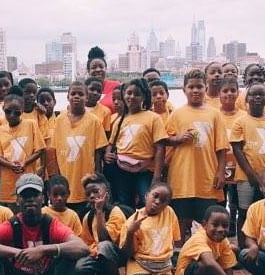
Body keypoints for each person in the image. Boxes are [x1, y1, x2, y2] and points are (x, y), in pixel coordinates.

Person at [0, 173, 89, 275]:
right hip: (17, 272)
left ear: (42, 198)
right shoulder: (12, 225)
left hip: (45, 272)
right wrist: (17, 253)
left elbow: (82, 247)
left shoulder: (51, 224)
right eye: (25, 196)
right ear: (17, 200)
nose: (30, 199)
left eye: (35, 195)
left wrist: (43, 250)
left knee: (68, 255)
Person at [165, 69, 227, 244]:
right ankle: (180, 255)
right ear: (184, 90)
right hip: (181, 178)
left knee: (206, 222)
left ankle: (206, 255)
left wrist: (220, 172)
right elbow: (164, 139)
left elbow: (221, 147)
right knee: (181, 221)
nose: (195, 90)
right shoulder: (176, 113)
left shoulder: (214, 114)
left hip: (207, 177)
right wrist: (178, 139)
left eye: (199, 86)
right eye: (191, 87)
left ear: (206, 88)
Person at [230, 84, 265, 248]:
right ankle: (242, 248)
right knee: (245, 212)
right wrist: (251, 174)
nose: (258, 98)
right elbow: (237, 149)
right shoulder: (240, 122)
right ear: (247, 99)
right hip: (246, 177)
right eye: (254, 95)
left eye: (262, 95)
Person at [104, 78, 168, 209]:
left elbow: (160, 148)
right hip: (121, 170)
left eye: (137, 94)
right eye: (129, 93)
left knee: (148, 202)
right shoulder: (119, 120)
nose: (132, 97)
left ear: (144, 97)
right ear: (123, 95)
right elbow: (111, 143)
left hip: (144, 171)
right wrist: (107, 154)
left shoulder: (153, 118)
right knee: (124, 204)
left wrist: (156, 176)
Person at [52, 81, 108, 214]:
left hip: (85, 178)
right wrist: (55, 175)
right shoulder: (59, 119)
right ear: (67, 97)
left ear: (87, 97)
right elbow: (54, 149)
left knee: (85, 214)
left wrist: (97, 177)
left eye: (81, 94)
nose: (76, 97)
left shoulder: (94, 121)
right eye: (73, 93)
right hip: (65, 175)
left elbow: (98, 152)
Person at [0, 93, 47, 210]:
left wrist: (25, 163)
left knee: (30, 206)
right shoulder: (0, 131)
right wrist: (10, 165)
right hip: (9, 181)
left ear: (22, 111)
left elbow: (40, 149)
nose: (12, 115)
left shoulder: (31, 125)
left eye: (17, 112)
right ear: (3, 109)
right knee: (13, 210)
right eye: (8, 111)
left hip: (28, 177)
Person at [119, 182, 180, 275]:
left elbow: (175, 240)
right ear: (146, 195)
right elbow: (128, 254)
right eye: (155, 196)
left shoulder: (169, 212)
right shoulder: (132, 222)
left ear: (167, 204)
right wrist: (130, 232)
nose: (157, 202)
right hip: (140, 263)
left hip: (164, 265)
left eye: (163, 200)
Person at [74, 173, 127, 275]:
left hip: (116, 254)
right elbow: (87, 243)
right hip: (97, 254)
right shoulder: (88, 217)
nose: (92, 196)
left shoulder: (115, 212)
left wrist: (99, 212)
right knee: (80, 266)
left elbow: (104, 239)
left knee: (104, 246)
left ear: (107, 193)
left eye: (96, 191)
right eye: (88, 194)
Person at [217, 76, 246, 238]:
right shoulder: (214, 115)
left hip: (239, 167)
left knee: (236, 203)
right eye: (225, 91)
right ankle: (220, 233)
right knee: (220, 202)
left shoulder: (244, 116)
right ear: (219, 94)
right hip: (218, 167)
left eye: (233, 90)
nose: (229, 94)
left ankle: (235, 234)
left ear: (238, 93)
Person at [176, 205, 237, 275]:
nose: (221, 229)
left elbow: (228, 267)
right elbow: (209, 263)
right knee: (204, 265)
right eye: (215, 225)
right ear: (205, 224)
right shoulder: (198, 238)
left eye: (225, 226)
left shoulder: (223, 240)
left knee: (234, 250)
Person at [87, 46, 122, 112]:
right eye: (94, 67)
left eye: (101, 67)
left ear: (105, 69)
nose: (98, 70)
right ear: (88, 71)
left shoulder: (116, 86)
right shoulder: (83, 89)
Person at [19, 78, 50, 143]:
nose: (32, 95)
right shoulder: (14, 112)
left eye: (34, 92)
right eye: (27, 92)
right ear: (20, 93)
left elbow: (44, 136)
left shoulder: (40, 113)